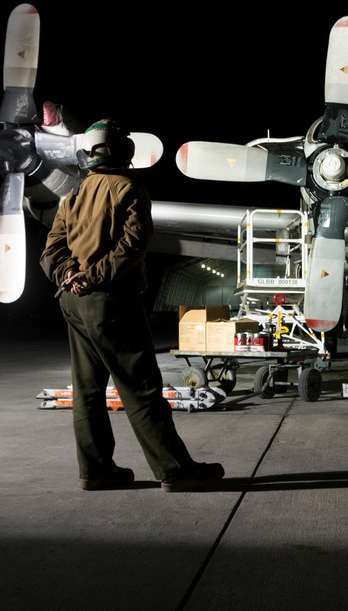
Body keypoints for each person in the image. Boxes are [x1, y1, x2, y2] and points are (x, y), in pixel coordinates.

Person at [40, 118, 224, 493]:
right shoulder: (128, 186)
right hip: (111, 302)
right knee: (140, 389)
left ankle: (96, 471)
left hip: (72, 303)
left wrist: (69, 276)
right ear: (121, 151)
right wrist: (93, 276)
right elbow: (133, 245)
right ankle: (175, 471)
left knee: (87, 392)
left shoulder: (72, 195)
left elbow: (51, 249)